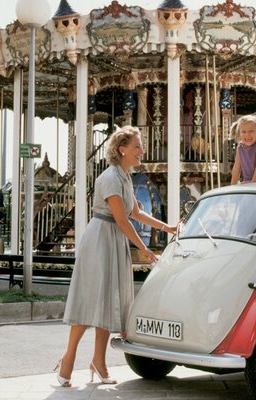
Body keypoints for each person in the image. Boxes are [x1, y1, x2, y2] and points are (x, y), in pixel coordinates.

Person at [55, 126, 177, 387]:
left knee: (108, 302)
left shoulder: (124, 176)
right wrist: (143, 248)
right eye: (137, 146)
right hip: (100, 239)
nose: (141, 151)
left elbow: (136, 213)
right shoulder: (111, 177)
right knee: (89, 299)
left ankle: (99, 362)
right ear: (122, 148)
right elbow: (122, 220)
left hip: (113, 239)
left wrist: (166, 227)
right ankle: (68, 358)